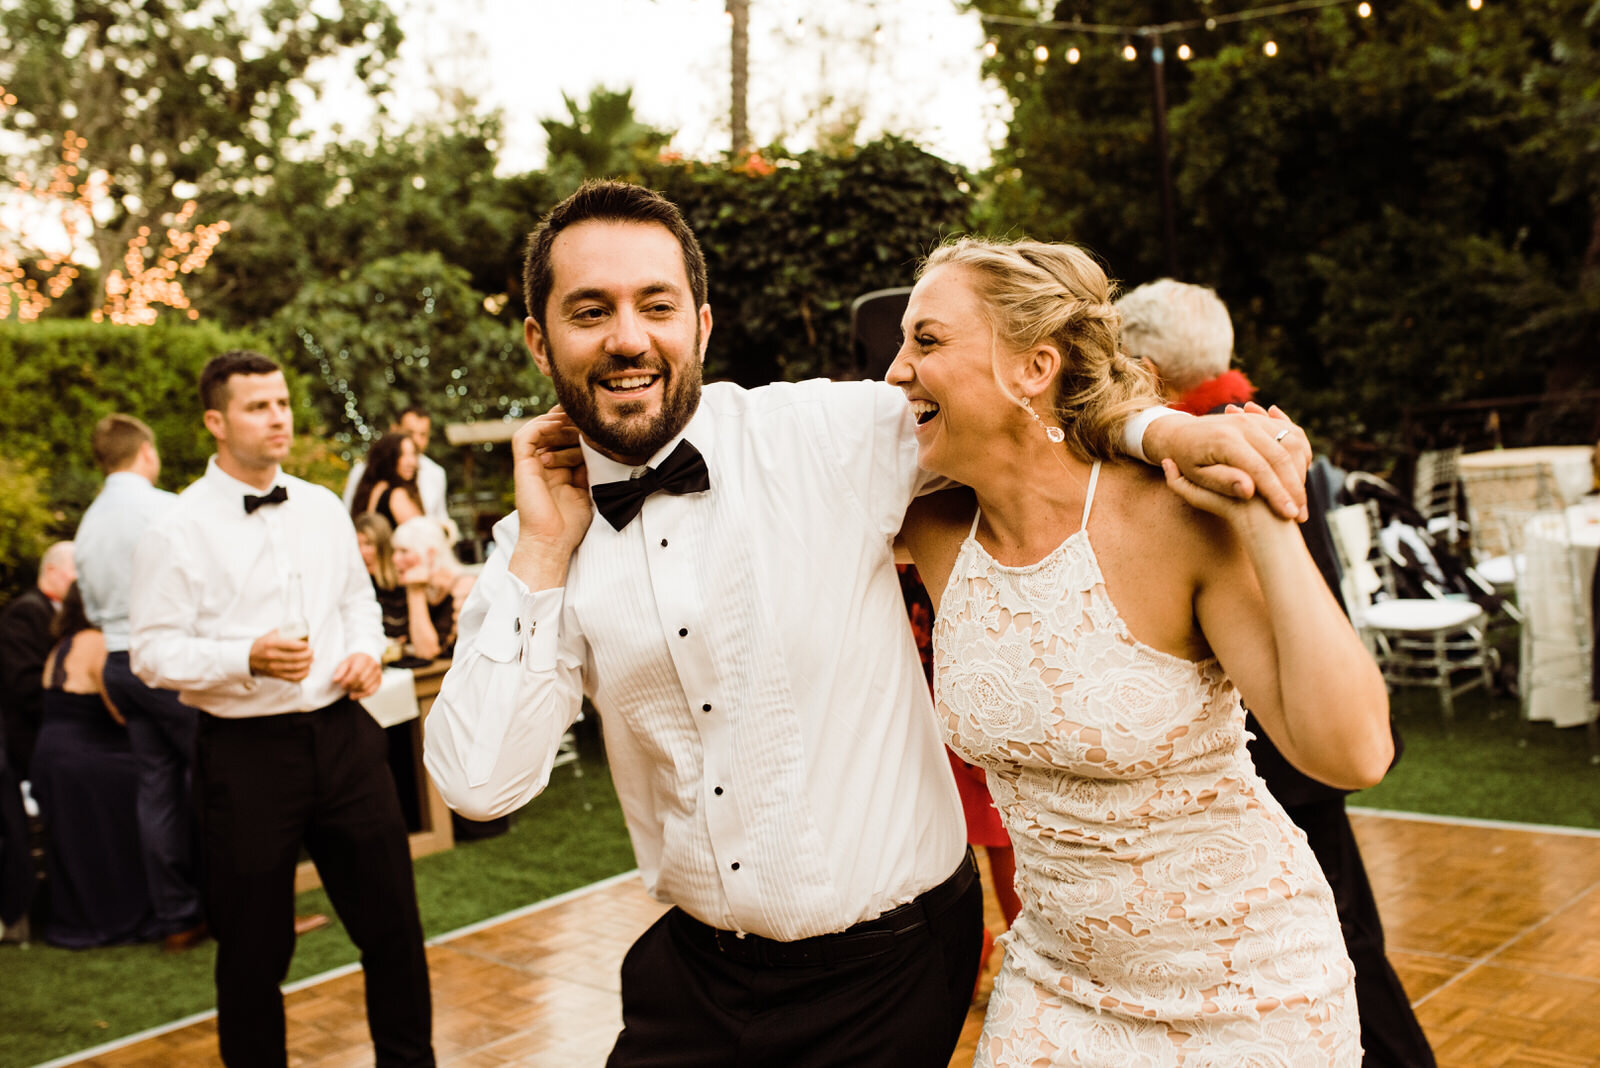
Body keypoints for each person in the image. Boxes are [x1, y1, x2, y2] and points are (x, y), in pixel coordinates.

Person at [422, 180, 1314, 1066]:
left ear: (699, 324)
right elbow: (476, 783)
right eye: (589, 311)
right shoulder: (540, 535)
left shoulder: (819, 435)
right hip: (696, 975)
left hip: (888, 964)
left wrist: (1164, 434)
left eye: (655, 304)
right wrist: (541, 553)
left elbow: (1024, 407)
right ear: (541, 341)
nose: (627, 337)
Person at [889, 236, 1392, 1063]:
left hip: (1249, 992)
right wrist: (1150, 425)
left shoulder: (1176, 519)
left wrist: (1260, 514)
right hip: (1053, 988)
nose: (897, 371)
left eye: (928, 341)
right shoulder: (934, 526)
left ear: (1033, 367)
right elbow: (795, 452)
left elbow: (1355, 751)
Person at [1119, 279, 1436, 1066]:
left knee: (1343, 944)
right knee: (1350, 929)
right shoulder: (1259, 425)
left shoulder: (1209, 457)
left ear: (1149, 367)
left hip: (1280, 746)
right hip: (1301, 741)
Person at [131, 350, 433, 1068]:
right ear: (215, 421)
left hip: (345, 738)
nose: (278, 418)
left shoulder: (324, 506)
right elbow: (150, 653)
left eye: (282, 404)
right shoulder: (176, 529)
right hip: (245, 756)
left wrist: (366, 651)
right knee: (252, 951)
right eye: (257, 407)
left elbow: (358, 605)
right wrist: (245, 657)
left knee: (393, 928)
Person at [73, 413, 206, 951]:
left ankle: (178, 917)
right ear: (145, 453)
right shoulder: (165, 508)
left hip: (118, 664)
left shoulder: (87, 525)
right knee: (225, 780)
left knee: (158, 792)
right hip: (167, 660)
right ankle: (244, 910)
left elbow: (87, 607)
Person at [30, 582, 161, 948]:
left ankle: (84, 913)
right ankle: (141, 906)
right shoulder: (98, 642)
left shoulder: (63, 643)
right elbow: (120, 710)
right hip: (87, 760)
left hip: (51, 756)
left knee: (76, 838)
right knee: (156, 790)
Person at [0, 541, 76, 782]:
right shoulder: (25, 612)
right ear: (51, 570)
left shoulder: (66, 613)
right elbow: (24, 684)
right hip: (33, 741)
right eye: (76, 571)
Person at [343, 408, 448, 520]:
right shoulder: (363, 471)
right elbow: (347, 516)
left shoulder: (436, 473)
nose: (416, 440)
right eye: (409, 433)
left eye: (423, 434)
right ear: (394, 429)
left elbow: (441, 517)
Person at [390, 518, 472, 661]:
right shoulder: (411, 589)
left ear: (430, 554)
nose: (395, 558)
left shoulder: (463, 588)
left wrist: (415, 591)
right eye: (394, 551)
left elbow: (427, 652)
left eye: (404, 551)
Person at [350, 431, 424, 528]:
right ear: (389, 458)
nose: (411, 462)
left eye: (413, 454)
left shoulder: (376, 488)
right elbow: (421, 535)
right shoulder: (397, 494)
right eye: (402, 454)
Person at [355, 512, 408, 642]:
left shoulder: (403, 584)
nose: (362, 552)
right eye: (357, 545)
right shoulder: (355, 588)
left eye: (368, 544)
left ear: (383, 546)